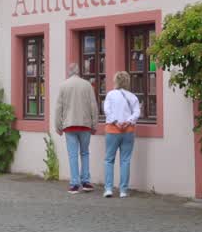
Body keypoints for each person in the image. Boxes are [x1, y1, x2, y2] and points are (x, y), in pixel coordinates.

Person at [54, 63, 100, 194]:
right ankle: (86, 182)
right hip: (85, 125)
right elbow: (93, 106)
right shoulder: (87, 85)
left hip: (69, 125)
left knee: (73, 155)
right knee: (85, 153)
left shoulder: (63, 86)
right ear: (79, 71)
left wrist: (58, 126)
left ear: (69, 72)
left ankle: (74, 184)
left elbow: (59, 108)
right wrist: (94, 124)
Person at [102, 70, 140, 199]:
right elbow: (136, 112)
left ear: (116, 81)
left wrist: (116, 122)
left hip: (112, 130)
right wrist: (128, 121)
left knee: (109, 160)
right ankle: (123, 190)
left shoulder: (110, 95)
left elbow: (107, 110)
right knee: (125, 161)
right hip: (128, 131)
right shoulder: (133, 97)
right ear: (127, 82)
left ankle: (108, 189)